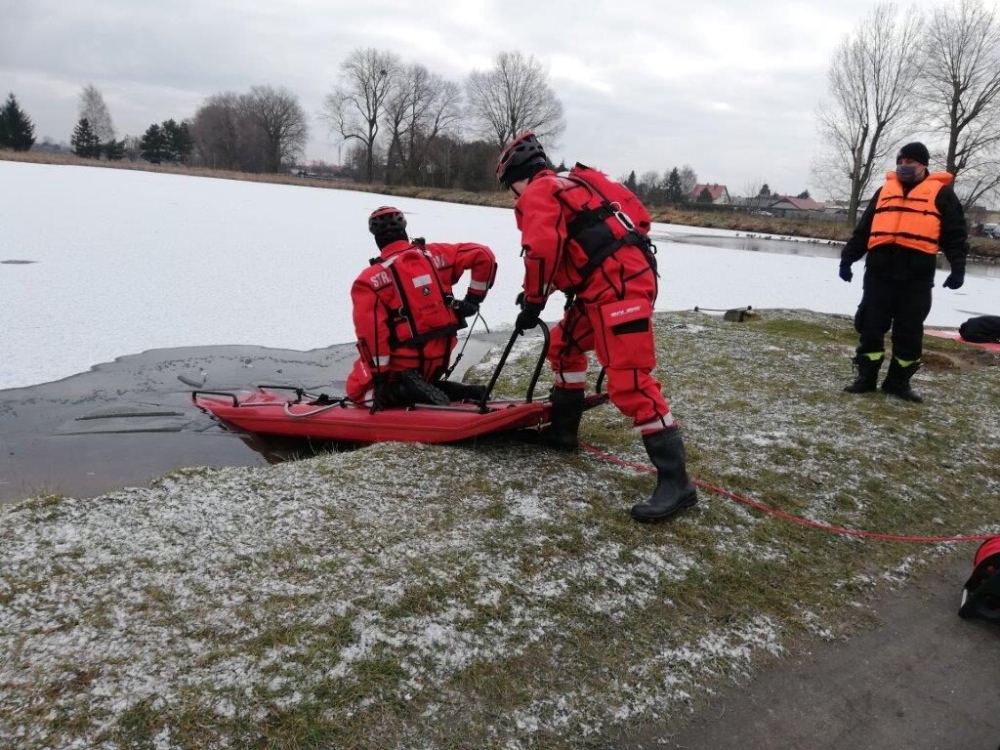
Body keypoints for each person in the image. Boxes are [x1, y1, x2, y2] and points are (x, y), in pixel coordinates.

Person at [495, 132, 696, 522]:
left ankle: (677, 483)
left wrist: (534, 299)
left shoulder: (539, 192)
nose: (513, 197)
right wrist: (544, 290)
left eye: (510, 189)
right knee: (565, 346)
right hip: (606, 284)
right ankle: (563, 432)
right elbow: (621, 228)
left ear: (518, 178)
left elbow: (541, 250)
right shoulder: (578, 183)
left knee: (630, 383)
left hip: (620, 288)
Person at [839, 142, 968, 403]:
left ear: (923, 165)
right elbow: (864, 231)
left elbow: (955, 236)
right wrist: (848, 259)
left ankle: (897, 384)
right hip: (879, 273)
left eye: (910, 162)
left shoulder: (942, 194)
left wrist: (958, 268)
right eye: (901, 161)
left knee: (909, 332)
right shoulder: (884, 191)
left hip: (916, 278)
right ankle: (866, 379)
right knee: (871, 327)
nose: (904, 167)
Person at [346, 206, 497, 410]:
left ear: (376, 238)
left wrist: (380, 377)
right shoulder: (437, 255)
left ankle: (404, 392)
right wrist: (473, 299)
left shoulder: (368, 281)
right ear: (404, 230)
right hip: (440, 357)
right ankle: (467, 393)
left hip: (403, 365)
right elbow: (483, 255)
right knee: (427, 381)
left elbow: (372, 333)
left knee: (357, 391)